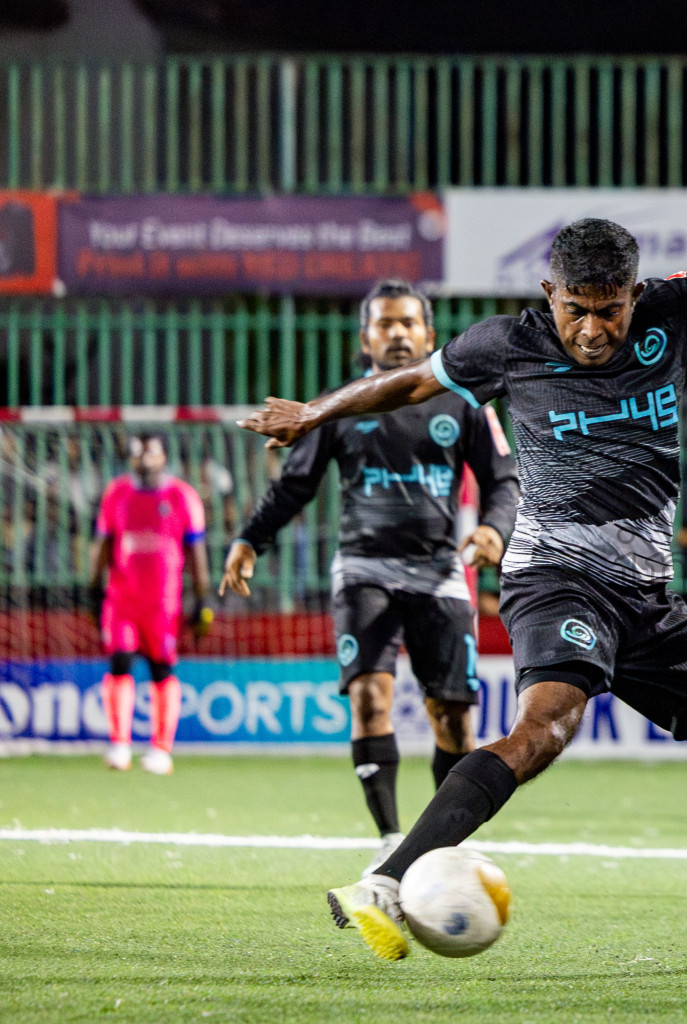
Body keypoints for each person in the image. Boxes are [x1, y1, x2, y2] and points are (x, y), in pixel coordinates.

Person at [240, 160, 687, 972]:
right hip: (554, 573)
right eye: (575, 310)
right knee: (545, 728)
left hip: (647, 596)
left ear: (635, 294)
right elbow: (409, 384)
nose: (593, 329)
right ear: (547, 292)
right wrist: (315, 413)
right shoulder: (506, 346)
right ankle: (384, 881)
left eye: (609, 310)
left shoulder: (677, 311)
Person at [220, 280, 521, 876]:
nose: (398, 333)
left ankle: (443, 845)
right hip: (363, 569)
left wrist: (494, 529)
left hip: (439, 573)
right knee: (368, 695)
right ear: (365, 339)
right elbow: (295, 485)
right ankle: (389, 837)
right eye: (385, 324)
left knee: (453, 717)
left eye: (408, 323)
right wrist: (251, 538)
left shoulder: (465, 402)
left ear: (429, 335)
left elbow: (502, 480)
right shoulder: (339, 406)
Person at [88, 432, 212, 775]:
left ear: (164, 456)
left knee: (161, 669)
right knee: (119, 662)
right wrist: (93, 588)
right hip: (122, 599)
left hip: (163, 603)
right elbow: (103, 544)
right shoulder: (116, 493)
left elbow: (196, 551)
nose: (144, 459)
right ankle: (120, 745)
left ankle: (161, 749)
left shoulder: (182, 496)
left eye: (151, 452)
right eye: (138, 453)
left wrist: (202, 597)